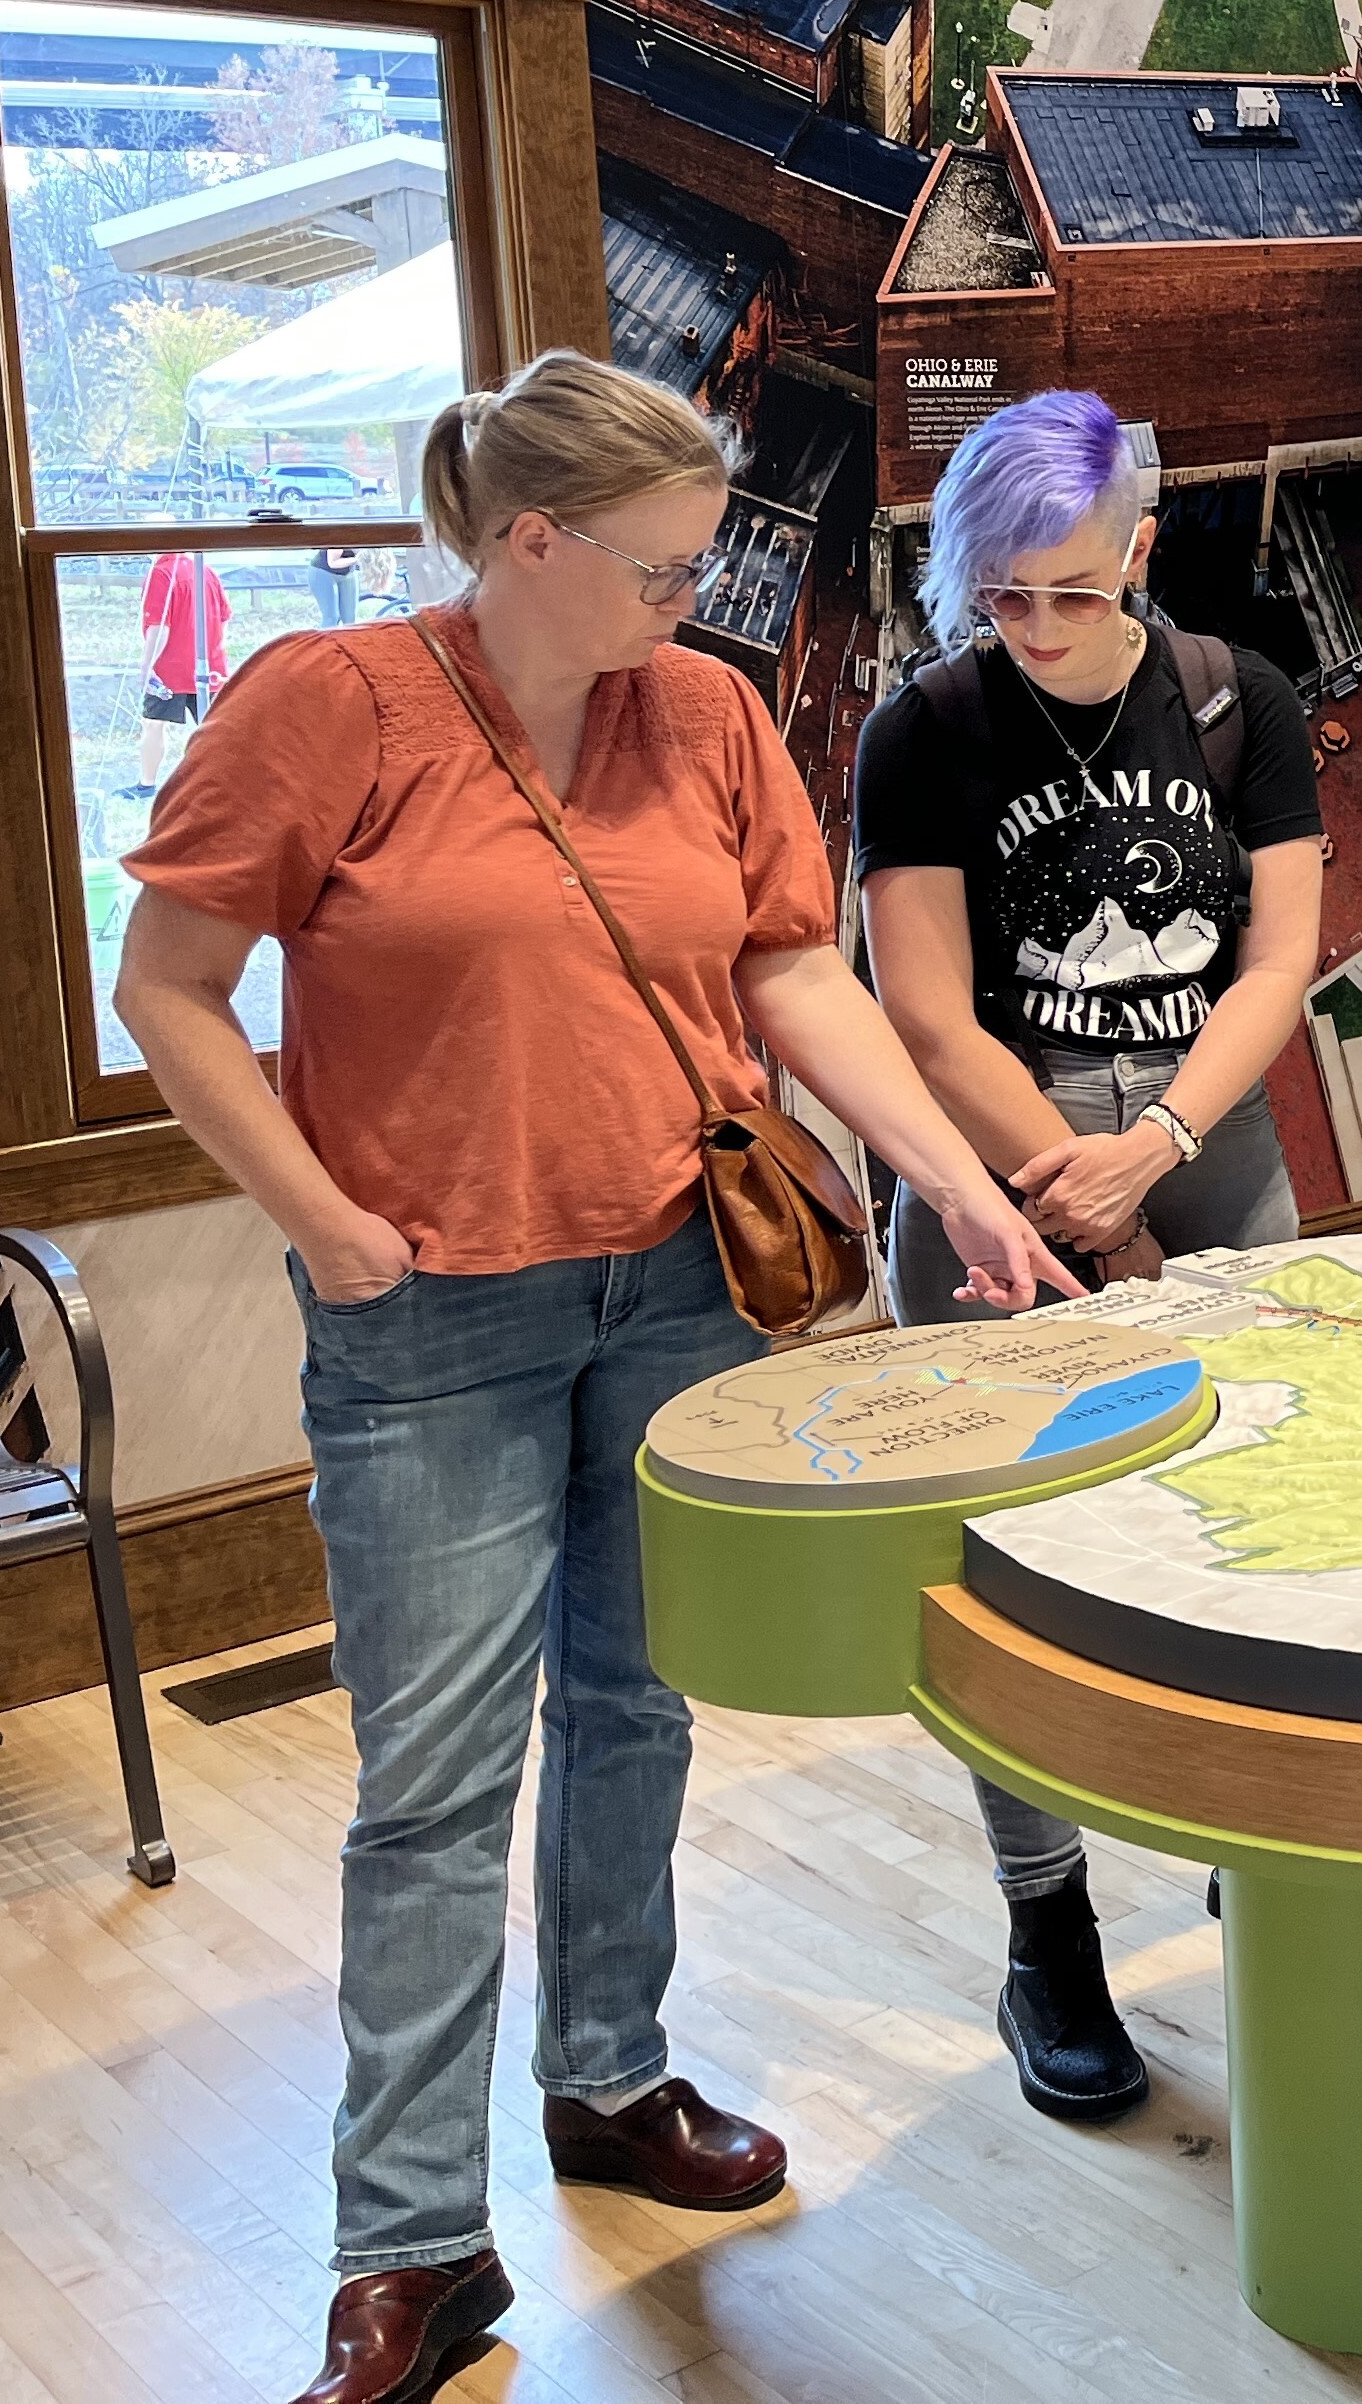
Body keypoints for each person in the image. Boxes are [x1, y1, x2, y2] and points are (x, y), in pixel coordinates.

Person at [114, 350, 1078, 2404]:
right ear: (522, 540)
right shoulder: (325, 704)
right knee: (437, 1785)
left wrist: (952, 1177)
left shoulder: (708, 714)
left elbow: (786, 969)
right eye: (652, 565)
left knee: (633, 1702)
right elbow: (172, 989)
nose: (688, 599)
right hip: (429, 1312)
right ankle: (407, 2243)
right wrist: (319, 1215)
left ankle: (610, 2075)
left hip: (676, 1283)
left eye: (701, 560)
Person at [854, 389, 1323, 2125]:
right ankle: (1043, 1931)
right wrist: (1061, 1176)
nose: (1040, 627)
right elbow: (917, 1001)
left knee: (1263, 1500)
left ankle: (1257, 1833)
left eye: (1070, 587)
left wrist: (1161, 1151)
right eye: (1001, 599)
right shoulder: (921, 731)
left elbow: (1274, 959)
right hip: (993, 1161)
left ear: (1141, 543)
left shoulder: (1234, 696)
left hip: (1204, 1134)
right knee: (1005, 1552)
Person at [116, 549, 230, 801]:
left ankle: (146, 785)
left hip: (170, 668)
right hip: (210, 665)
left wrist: (146, 667)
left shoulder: (161, 573)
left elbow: (159, 627)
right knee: (215, 727)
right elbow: (223, 619)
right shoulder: (206, 571)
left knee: (154, 723)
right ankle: (224, 782)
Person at [307, 543, 361, 629]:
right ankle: (326, 640)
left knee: (350, 617)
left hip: (348, 572)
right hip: (323, 572)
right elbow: (332, 562)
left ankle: (348, 640)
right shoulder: (343, 535)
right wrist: (357, 560)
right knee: (332, 617)